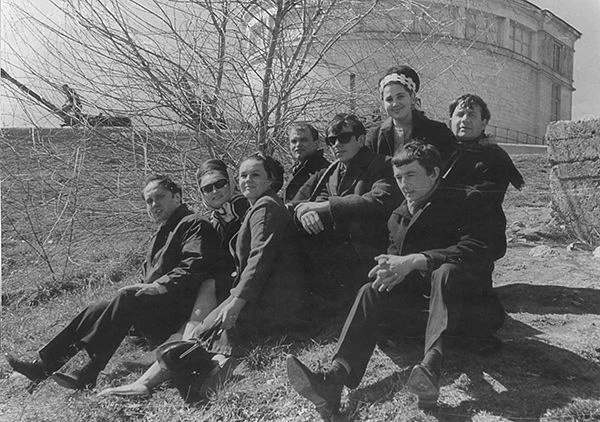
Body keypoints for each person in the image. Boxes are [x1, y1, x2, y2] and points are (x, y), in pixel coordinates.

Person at [286, 142, 505, 419]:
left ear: (434, 173)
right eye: (399, 177)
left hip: (469, 315)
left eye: (411, 175)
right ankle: (334, 378)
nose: (403, 184)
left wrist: (417, 260)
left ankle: (430, 370)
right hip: (421, 318)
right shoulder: (399, 215)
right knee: (371, 290)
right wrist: (389, 271)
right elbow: (396, 260)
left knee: (446, 271)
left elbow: (486, 247)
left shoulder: (468, 201)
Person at [5, 175, 224, 391]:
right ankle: (44, 366)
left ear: (177, 196)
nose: (154, 205)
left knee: (128, 298)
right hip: (157, 308)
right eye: (149, 201)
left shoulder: (194, 224)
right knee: (97, 309)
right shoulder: (162, 231)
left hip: (182, 310)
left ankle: (89, 371)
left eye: (160, 197)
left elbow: (195, 266)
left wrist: (158, 286)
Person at [152, 152, 308, 403]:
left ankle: (206, 380)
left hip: (274, 296)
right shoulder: (259, 206)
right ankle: (189, 370)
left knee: (219, 329)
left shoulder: (265, 208)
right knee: (204, 328)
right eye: (243, 175)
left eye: (255, 175)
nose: (248, 180)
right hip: (267, 290)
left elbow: (259, 260)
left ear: (271, 179)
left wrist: (236, 302)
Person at [97, 160, 250, 398]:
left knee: (200, 311)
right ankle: (152, 375)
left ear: (232, 183)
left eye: (219, 184)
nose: (214, 191)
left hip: (245, 288)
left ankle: (154, 376)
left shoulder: (247, 209)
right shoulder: (215, 220)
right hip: (219, 290)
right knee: (194, 318)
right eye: (206, 188)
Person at [292, 113, 401, 301]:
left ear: (361, 139)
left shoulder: (384, 164)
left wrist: (324, 206)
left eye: (343, 138)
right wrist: (306, 214)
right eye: (331, 140)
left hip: (369, 251)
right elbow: (316, 201)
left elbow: (377, 200)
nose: (336, 144)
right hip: (336, 251)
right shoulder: (333, 170)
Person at [443, 93, 524, 261]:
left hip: (478, 238)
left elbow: (481, 199)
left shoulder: (495, 157)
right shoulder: (441, 151)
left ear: (484, 123)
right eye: (460, 114)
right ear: (450, 120)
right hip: (444, 232)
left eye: (472, 115)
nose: (464, 120)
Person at [365, 65, 455, 164]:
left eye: (400, 97)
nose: (395, 104)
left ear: (412, 97)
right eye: (389, 99)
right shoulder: (374, 137)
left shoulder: (437, 132)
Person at [283, 122, 330, 202]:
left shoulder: (326, 171)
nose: (298, 145)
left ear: (316, 144)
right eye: (294, 141)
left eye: (303, 140)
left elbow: (322, 203)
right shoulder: (295, 170)